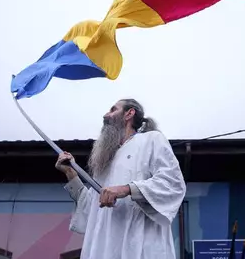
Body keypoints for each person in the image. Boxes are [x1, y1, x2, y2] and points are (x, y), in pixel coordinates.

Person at [55, 98, 187, 259]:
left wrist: (126, 189)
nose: (106, 115)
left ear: (129, 113)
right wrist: (71, 173)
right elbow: (91, 210)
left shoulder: (151, 140)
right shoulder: (106, 158)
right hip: (103, 249)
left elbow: (172, 183)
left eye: (113, 110)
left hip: (140, 246)